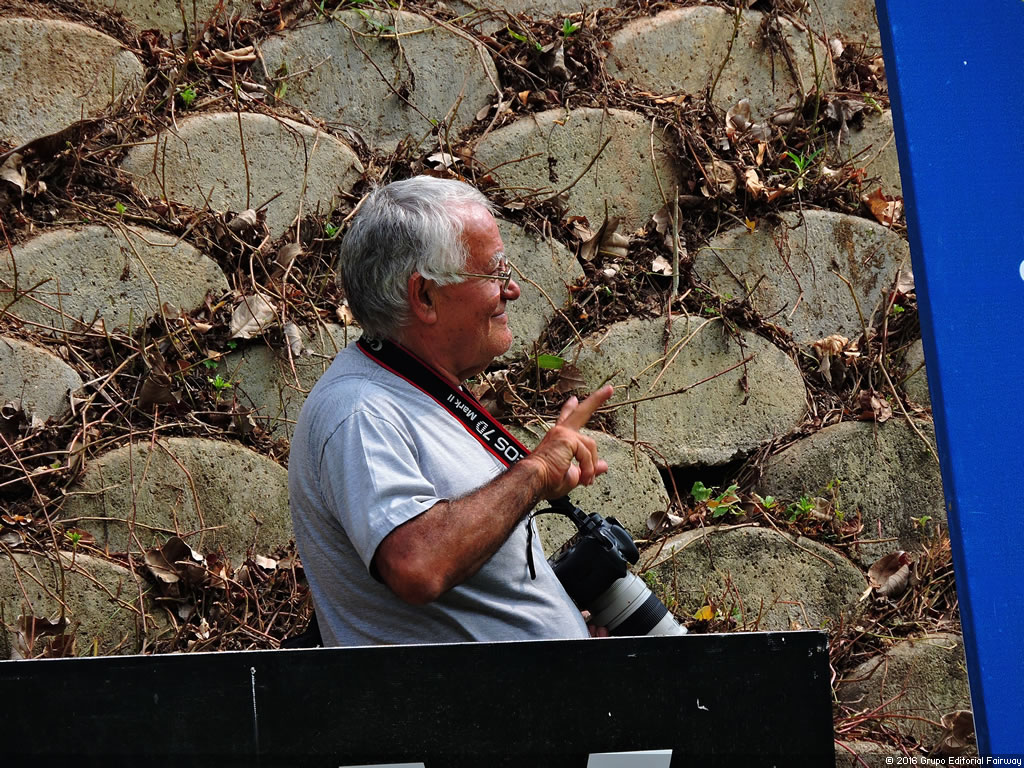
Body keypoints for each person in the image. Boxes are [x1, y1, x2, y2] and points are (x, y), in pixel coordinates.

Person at [288, 176, 613, 646]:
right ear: (424, 296)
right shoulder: (359, 412)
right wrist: (535, 472)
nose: (512, 289)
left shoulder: (415, 395)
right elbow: (416, 565)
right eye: (495, 272)